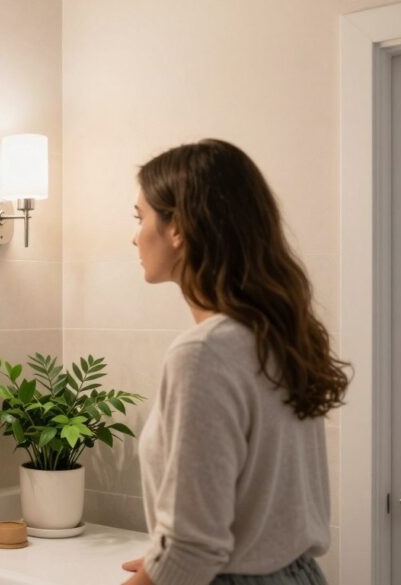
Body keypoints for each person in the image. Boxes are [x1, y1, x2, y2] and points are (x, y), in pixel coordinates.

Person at [121, 139, 348, 585]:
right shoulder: (277, 336)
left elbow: (194, 551)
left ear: (178, 228)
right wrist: (160, 563)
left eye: (140, 216)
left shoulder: (204, 353)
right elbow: (258, 503)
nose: (134, 235)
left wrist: (166, 568)